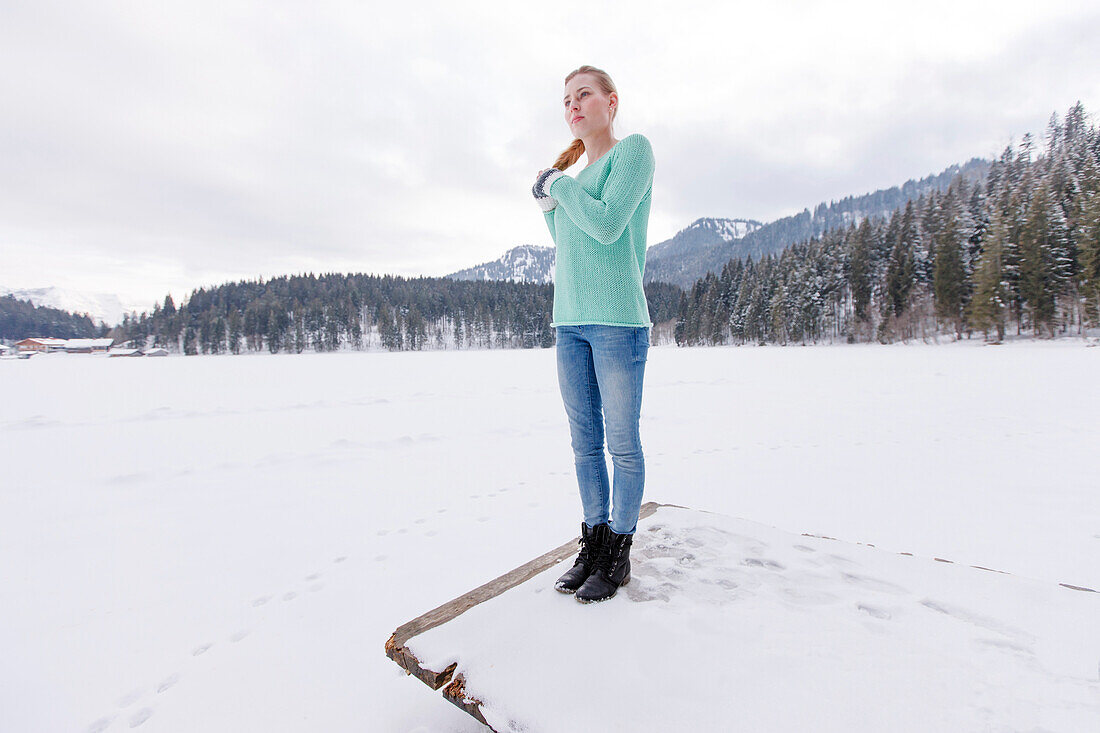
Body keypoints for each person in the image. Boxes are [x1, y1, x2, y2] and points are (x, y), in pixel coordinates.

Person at [531, 65, 655, 604]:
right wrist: (549, 207)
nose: (573, 105)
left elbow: (605, 227)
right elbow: (569, 241)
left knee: (621, 444)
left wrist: (555, 185)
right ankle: (594, 540)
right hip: (570, 320)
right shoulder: (577, 177)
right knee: (584, 442)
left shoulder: (633, 153)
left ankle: (619, 552)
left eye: (583, 95)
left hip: (617, 319)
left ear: (611, 102)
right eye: (566, 100)